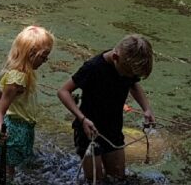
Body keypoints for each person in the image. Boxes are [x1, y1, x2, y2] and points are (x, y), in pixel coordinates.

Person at [57, 34, 155, 183]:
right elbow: (63, 91)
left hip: (113, 130)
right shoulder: (93, 68)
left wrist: (146, 109)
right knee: (95, 180)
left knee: (118, 177)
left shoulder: (127, 64)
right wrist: (82, 119)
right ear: (115, 57)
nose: (129, 77)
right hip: (88, 131)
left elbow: (134, 85)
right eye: (127, 73)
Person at [0, 25, 55, 179]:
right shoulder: (18, 79)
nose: (46, 61)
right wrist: (2, 130)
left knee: (19, 162)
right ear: (30, 54)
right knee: (10, 168)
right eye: (44, 56)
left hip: (25, 126)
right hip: (16, 128)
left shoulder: (20, 73)